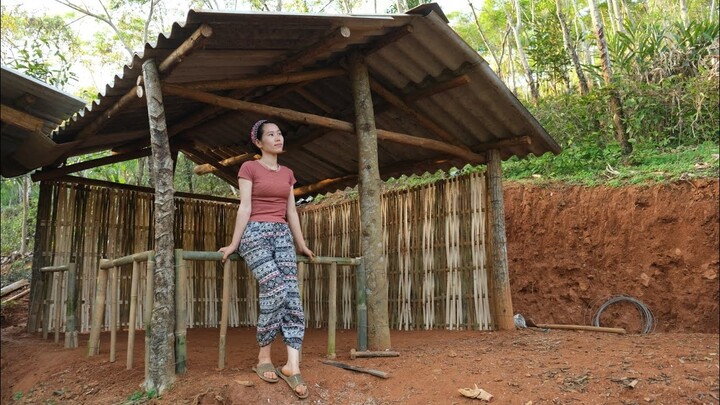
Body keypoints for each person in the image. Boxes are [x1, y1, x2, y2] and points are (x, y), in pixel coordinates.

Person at [219, 119, 314, 399]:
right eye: (271, 135)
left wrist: (302, 244)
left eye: (280, 133)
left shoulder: (287, 173)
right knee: (275, 289)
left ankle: (292, 365)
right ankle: (263, 356)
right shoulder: (249, 168)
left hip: (282, 234)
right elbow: (244, 207)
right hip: (255, 234)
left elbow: (291, 212)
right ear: (258, 143)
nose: (278, 138)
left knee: (293, 297)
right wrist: (234, 243)